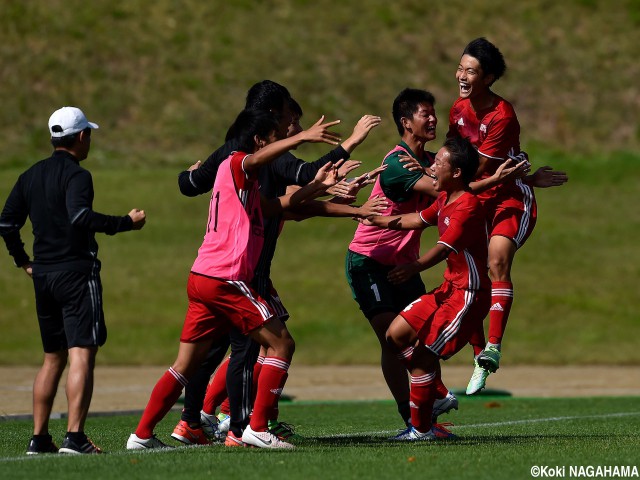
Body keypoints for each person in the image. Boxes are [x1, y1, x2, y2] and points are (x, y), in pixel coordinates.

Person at [127, 108, 351, 450]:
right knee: (280, 344)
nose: (283, 144)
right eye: (277, 136)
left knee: (185, 364)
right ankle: (255, 428)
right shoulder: (236, 161)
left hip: (202, 275)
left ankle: (141, 435)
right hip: (226, 277)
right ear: (260, 140)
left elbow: (282, 205)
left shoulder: (245, 181)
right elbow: (256, 160)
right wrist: (303, 137)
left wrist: (320, 186)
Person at [173, 81, 382, 448]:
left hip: (229, 267)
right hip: (241, 270)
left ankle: (201, 420)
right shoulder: (260, 154)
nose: (295, 129)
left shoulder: (231, 150)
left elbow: (190, 185)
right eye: (291, 118)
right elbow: (303, 180)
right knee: (253, 346)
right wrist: (350, 142)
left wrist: (341, 198)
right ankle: (239, 426)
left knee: (223, 348)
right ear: (272, 119)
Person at [345, 88, 527, 428]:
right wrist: (495, 181)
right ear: (405, 123)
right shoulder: (398, 162)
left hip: (406, 263)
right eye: (424, 114)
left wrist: (525, 177)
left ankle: (427, 415)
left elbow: (456, 188)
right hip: (370, 261)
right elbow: (450, 192)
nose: (433, 119)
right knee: (392, 338)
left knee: (418, 336)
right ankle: (420, 410)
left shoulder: (432, 162)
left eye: (433, 112)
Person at [0, 106, 147, 455]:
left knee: (53, 357)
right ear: (81, 137)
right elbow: (80, 216)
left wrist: (24, 261)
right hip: (76, 274)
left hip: (44, 276)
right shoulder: (79, 176)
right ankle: (75, 437)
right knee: (82, 352)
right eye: (89, 135)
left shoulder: (29, 175)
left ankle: (38, 438)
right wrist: (126, 222)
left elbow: (6, 224)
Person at [447, 38, 568, 395]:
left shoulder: (502, 114)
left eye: (471, 70)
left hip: (508, 198)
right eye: (460, 66)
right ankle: (477, 356)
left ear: (489, 77)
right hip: (474, 198)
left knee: (497, 261)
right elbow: (453, 159)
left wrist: (525, 178)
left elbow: (480, 167)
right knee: (465, 273)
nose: (462, 75)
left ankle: (494, 348)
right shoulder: (457, 109)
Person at [359, 136, 489, 440]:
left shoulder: (467, 205)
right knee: (395, 335)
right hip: (448, 289)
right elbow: (415, 220)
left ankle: (420, 429)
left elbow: (443, 249)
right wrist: (372, 218)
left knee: (420, 360)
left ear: (456, 172)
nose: (432, 167)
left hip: (467, 296)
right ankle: (436, 394)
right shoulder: (445, 198)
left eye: (439, 163)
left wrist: (413, 267)